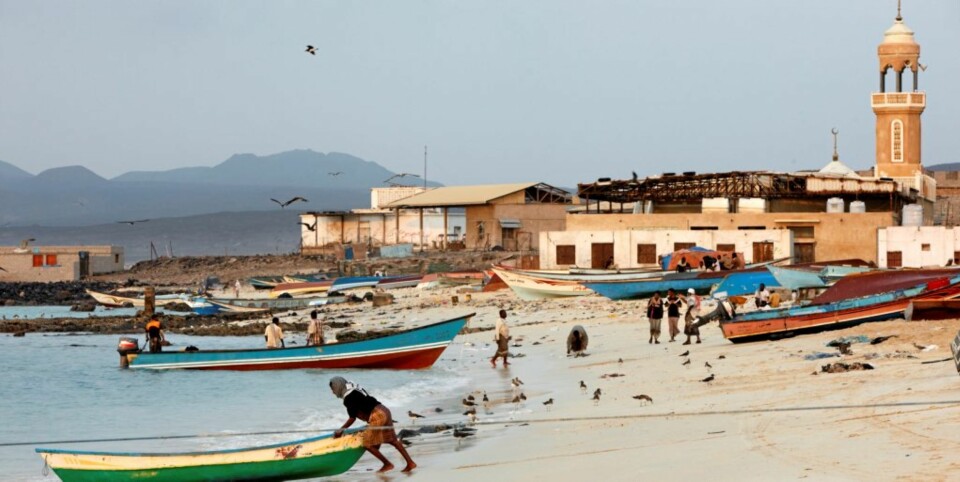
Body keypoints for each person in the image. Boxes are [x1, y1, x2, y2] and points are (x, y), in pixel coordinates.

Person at [329, 376, 416, 473]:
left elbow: (352, 418)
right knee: (393, 440)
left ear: (338, 386)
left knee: (367, 443)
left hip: (377, 415)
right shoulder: (353, 387)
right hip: (384, 410)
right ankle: (410, 463)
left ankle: (387, 464)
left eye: (333, 389)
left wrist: (340, 430)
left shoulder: (348, 398)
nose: (333, 392)